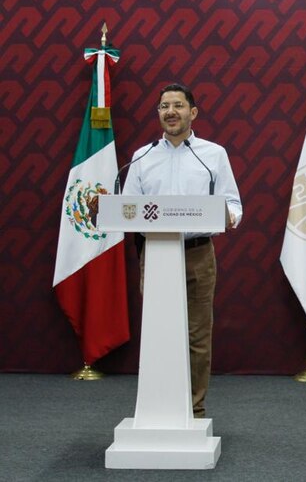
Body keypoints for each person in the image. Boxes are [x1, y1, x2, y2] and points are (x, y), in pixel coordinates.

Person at [122, 83, 243, 418]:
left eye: (177, 105)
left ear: (193, 112)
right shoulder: (142, 157)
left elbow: (233, 204)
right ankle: (158, 408)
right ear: (158, 113)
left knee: (197, 337)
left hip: (197, 254)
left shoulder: (212, 154)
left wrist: (227, 216)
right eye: (164, 106)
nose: (170, 111)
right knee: (159, 333)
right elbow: (127, 207)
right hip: (157, 254)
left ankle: (194, 409)